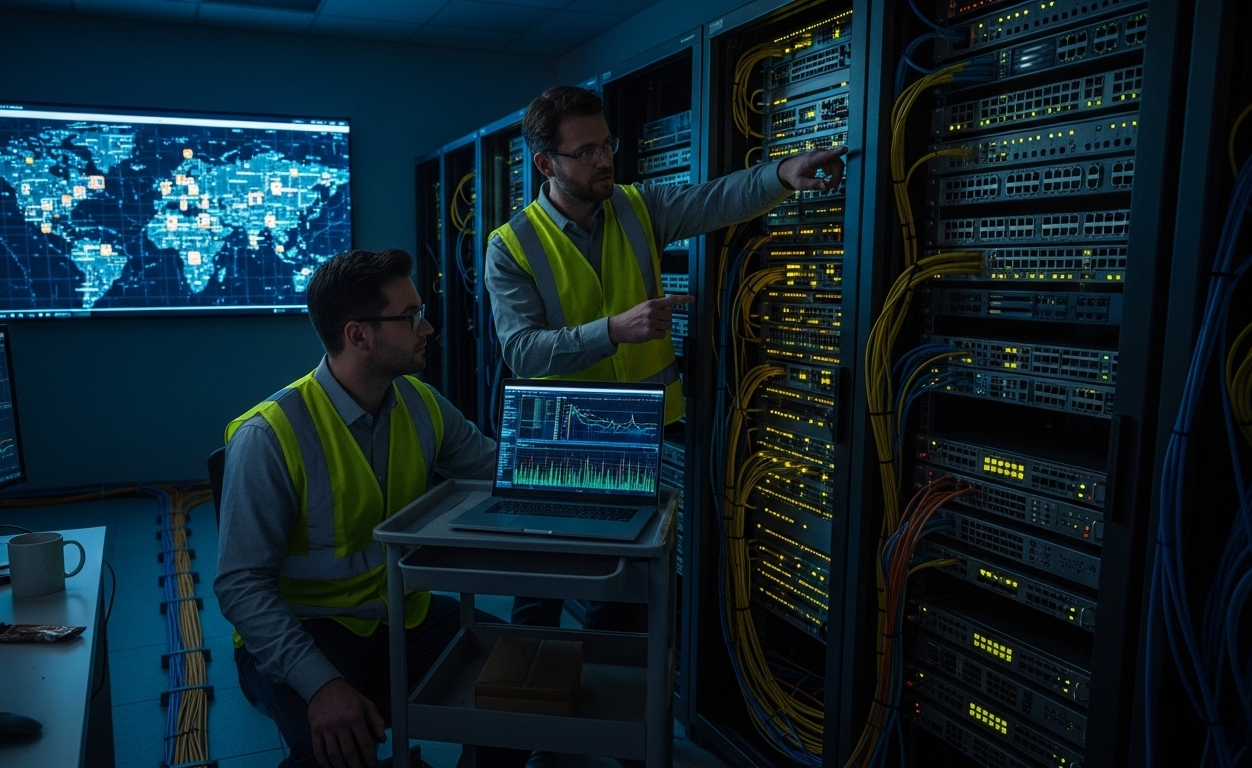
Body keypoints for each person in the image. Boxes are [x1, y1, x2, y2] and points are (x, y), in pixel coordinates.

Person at [484, 85, 847, 634]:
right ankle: (530, 703)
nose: (605, 160)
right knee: (544, 584)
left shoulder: (636, 207)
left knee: (623, 589)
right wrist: (614, 330)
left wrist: (783, 173)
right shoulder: (509, 245)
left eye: (608, 144)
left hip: (633, 426)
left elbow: (714, 198)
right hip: (553, 431)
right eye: (586, 152)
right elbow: (521, 352)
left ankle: (609, 710)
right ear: (545, 163)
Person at [215, 248, 522, 768]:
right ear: (358, 335)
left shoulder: (420, 402)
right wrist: (321, 685)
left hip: (402, 615)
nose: (428, 328)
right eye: (410, 317)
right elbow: (240, 586)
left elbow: (498, 468)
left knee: (525, 679)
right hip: (310, 629)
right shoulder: (270, 435)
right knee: (335, 749)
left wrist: (596, 467)